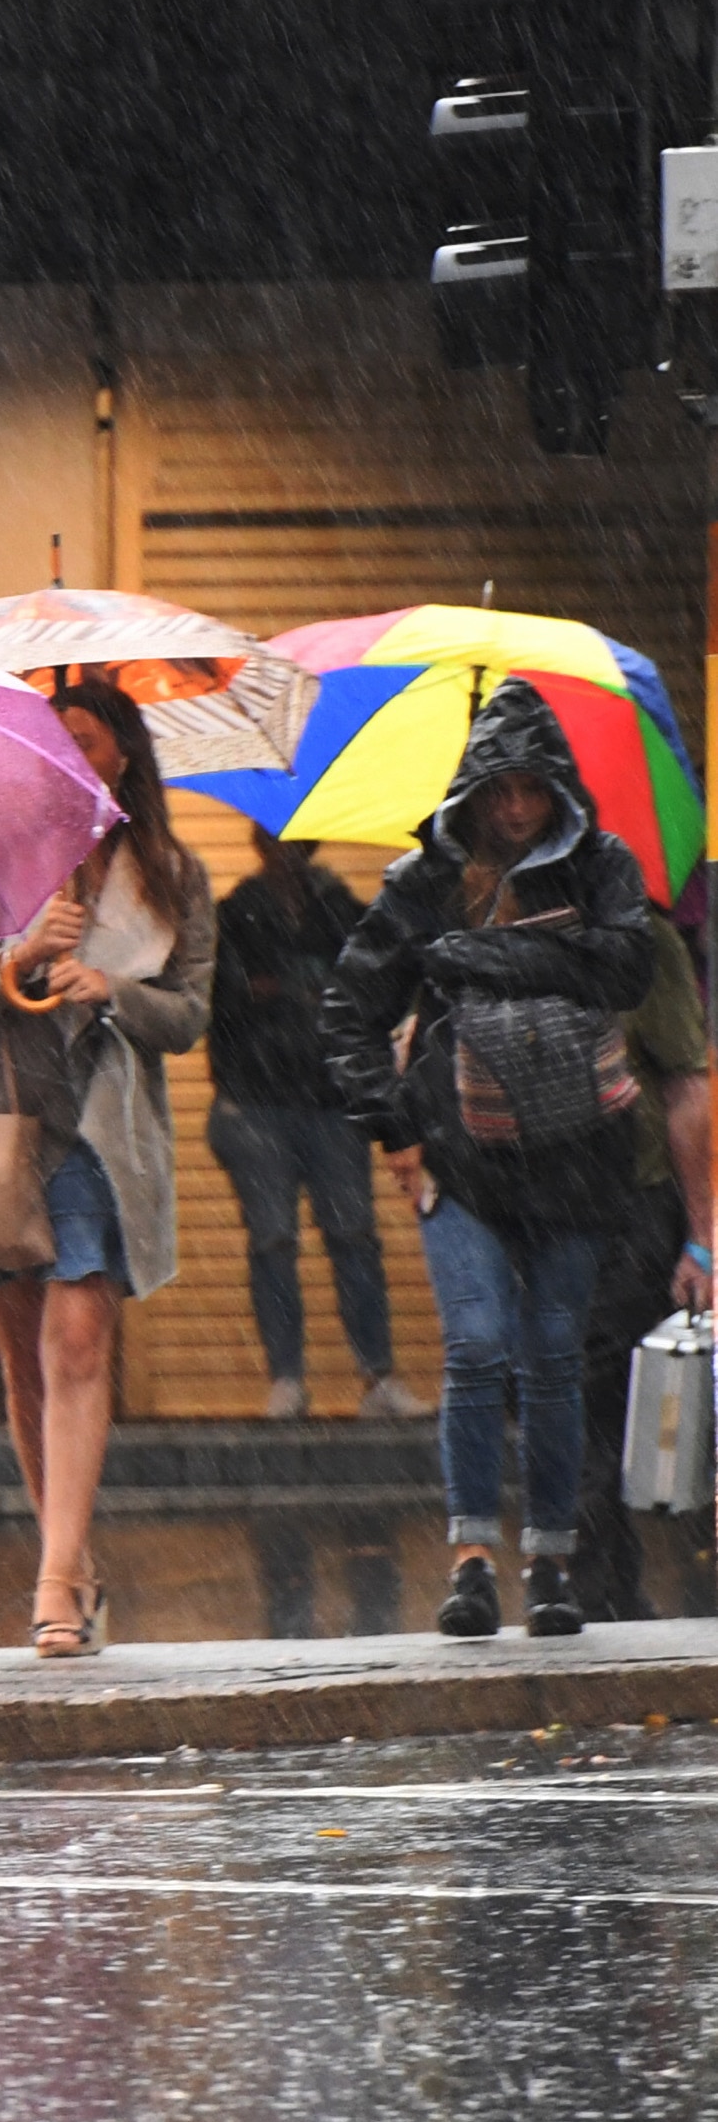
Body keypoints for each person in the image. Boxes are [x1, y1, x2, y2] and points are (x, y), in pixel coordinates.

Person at [321, 678, 664, 1638]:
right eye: (500, 788)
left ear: (561, 788)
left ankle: (549, 1559)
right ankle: (472, 1560)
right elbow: (348, 1010)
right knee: (477, 1351)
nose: (516, 808)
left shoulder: (601, 864)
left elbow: (629, 965)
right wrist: (393, 1129)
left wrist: (481, 958)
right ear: (471, 789)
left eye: (535, 788)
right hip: (459, 1161)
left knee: (554, 1361)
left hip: (578, 1157)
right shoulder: (423, 881)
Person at [0, 680, 215, 1659]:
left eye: (82, 739)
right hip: (4, 1123)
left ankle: (54, 1579)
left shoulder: (169, 875)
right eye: (49, 742)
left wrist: (110, 988)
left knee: (74, 1343)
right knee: (24, 1359)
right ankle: (70, 1555)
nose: (65, 755)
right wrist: (18, 956)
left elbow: (187, 1017)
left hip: (101, 1135)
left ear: (119, 756)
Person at [206, 822, 417, 1423]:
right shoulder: (236, 914)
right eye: (275, 842)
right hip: (256, 1104)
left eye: (294, 843)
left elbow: (373, 994)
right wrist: (302, 989)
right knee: (274, 1240)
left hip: (331, 1102)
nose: (285, 855)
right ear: (258, 846)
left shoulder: (344, 911)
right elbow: (220, 1002)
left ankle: (377, 1376)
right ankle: (287, 1380)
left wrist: (282, 989)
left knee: (353, 1237)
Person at [568, 912, 711, 1622]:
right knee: (572, 1391)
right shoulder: (487, 930)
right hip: (532, 1204)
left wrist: (701, 1236)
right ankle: (599, 1580)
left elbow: (688, 1086)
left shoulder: (646, 940)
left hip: (632, 1197)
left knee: (601, 1388)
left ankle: (599, 1584)